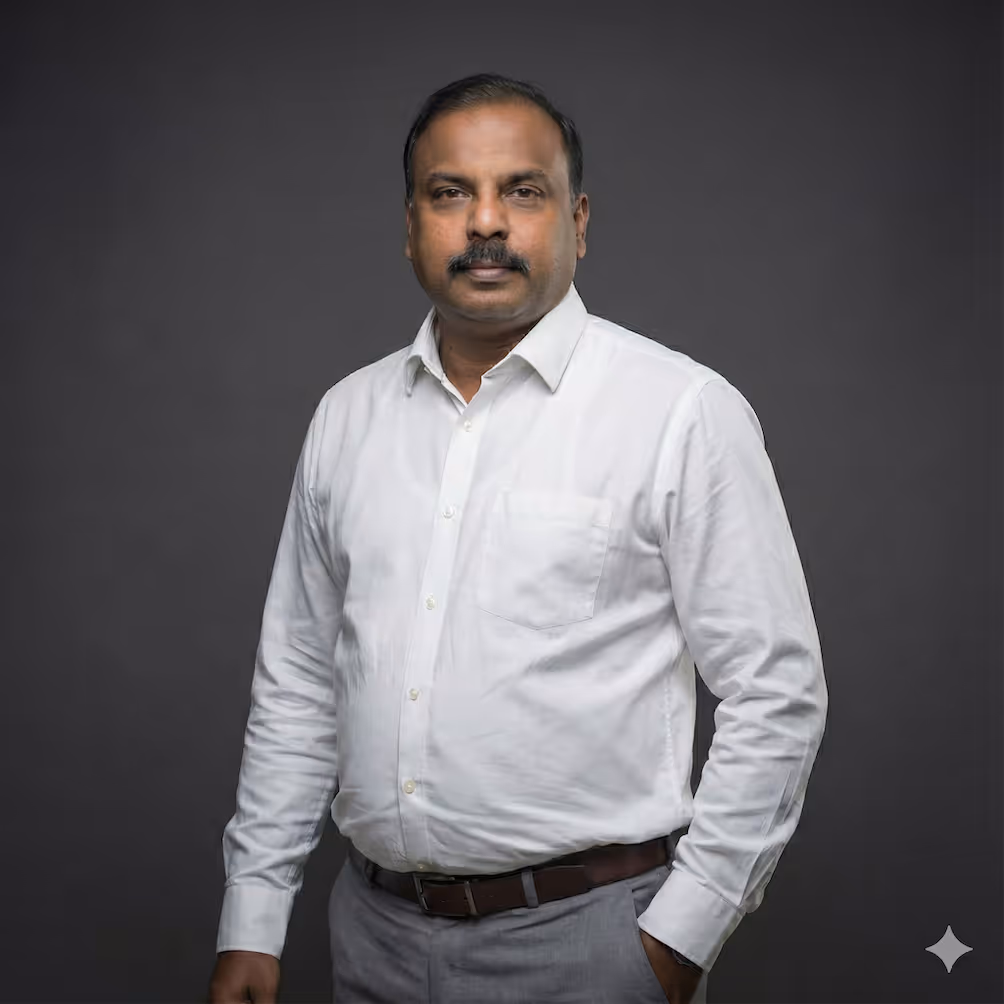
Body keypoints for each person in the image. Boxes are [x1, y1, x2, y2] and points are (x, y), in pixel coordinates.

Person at [207, 73, 828, 1004]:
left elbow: (776, 692)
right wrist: (253, 918)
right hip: (370, 938)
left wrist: (674, 944)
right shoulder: (346, 418)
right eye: (449, 192)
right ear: (411, 223)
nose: (484, 222)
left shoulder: (680, 413)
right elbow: (298, 678)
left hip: (591, 948)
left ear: (577, 222)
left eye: (521, 191)